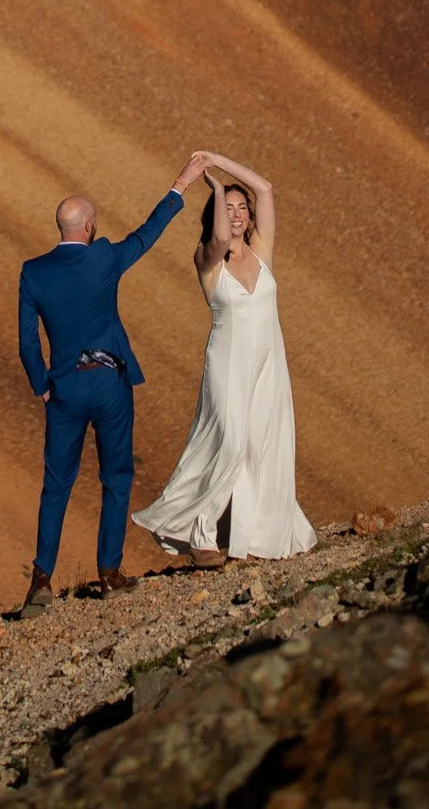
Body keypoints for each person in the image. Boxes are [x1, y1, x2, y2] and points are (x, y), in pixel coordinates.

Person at [17, 153, 207, 614]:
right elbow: (147, 234)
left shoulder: (33, 272)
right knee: (116, 476)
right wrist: (180, 186)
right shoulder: (103, 257)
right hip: (108, 386)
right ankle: (108, 573)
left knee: (57, 484)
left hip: (63, 390)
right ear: (87, 228)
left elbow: (26, 339)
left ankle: (41, 581)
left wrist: (42, 383)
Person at [133, 151, 315, 566]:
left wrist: (217, 161)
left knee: (261, 445)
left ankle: (251, 538)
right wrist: (214, 188)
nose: (234, 214)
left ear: (250, 217)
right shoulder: (207, 259)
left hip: (269, 365)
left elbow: (265, 188)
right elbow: (217, 240)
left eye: (239, 208)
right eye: (226, 209)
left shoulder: (261, 251)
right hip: (228, 365)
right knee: (229, 442)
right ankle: (201, 537)